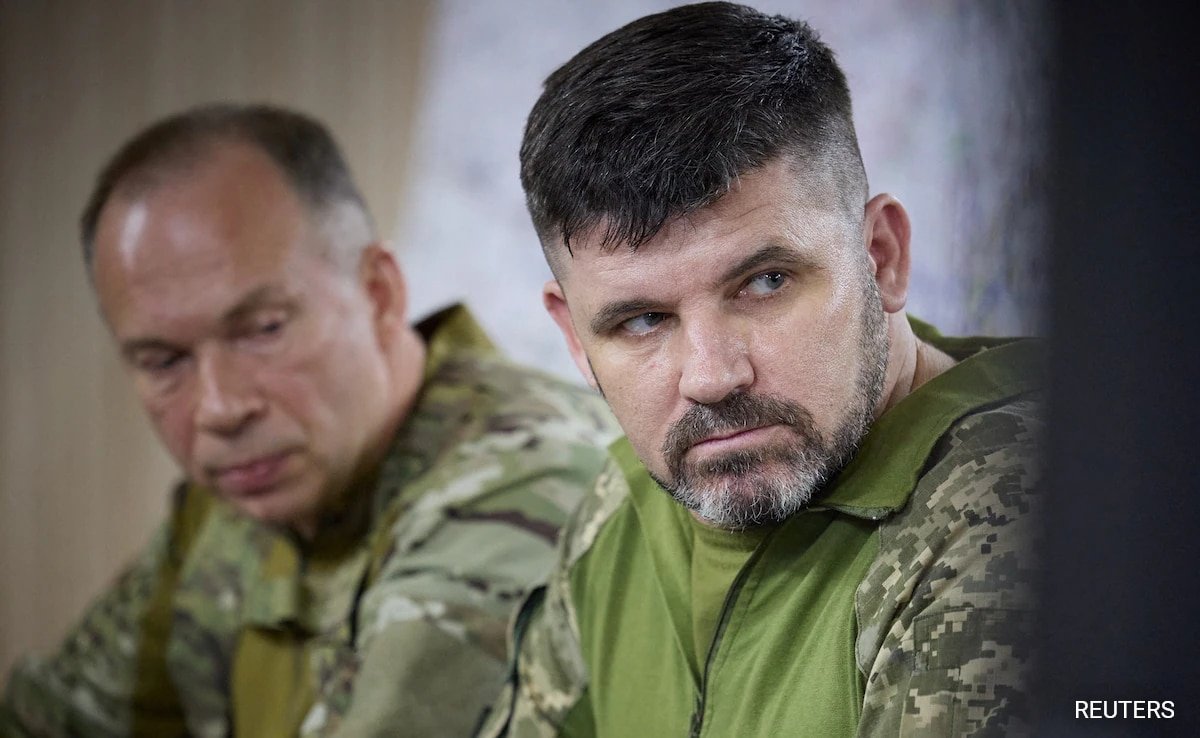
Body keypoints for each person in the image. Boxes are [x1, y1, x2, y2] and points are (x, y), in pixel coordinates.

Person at [480, 3, 1041, 736]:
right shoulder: (622, 512)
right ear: (576, 339)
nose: (711, 377)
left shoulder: (1018, 511)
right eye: (642, 321)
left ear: (881, 257)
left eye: (765, 282)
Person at [0, 104, 617, 737]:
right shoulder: (244, 493)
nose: (219, 408)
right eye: (163, 361)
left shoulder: (524, 484)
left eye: (263, 330)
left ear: (378, 294)